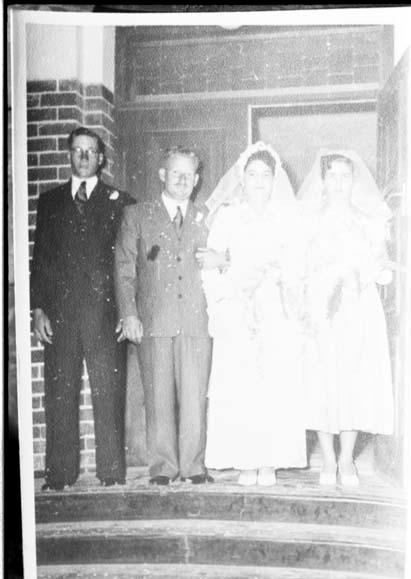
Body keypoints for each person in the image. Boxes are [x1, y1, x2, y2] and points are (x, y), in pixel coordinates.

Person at [31, 126, 135, 490]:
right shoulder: (50, 202)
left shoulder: (120, 201)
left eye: (91, 151)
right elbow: (41, 259)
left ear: (101, 157)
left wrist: (127, 310)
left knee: (108, 393)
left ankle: (111, 473)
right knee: (59, 395)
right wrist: (39, 309)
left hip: (106, 316)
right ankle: (59, 475)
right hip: (60, 317)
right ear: (69, 155)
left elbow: (127, 262)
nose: (84, 157)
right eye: (78, 151)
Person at [200, 141, 308, 487]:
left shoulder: (287, 218)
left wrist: (286, 291)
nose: (259, 180)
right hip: (238, 307)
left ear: (274, 179)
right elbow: (209, 264)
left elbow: (296, 265)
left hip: (275, 307)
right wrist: (222, 301)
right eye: (252, 174)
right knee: (241, 384)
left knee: (273, 383)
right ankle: (246, 460)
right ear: (241, 179)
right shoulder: (229, 216)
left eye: (265, 174)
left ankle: (270, 462)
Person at [114, 146, 214, 486]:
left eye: (189, 175)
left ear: (197, 179)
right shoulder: (137, 214)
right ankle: (162, 467)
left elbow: (223, 263)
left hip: (196, 322)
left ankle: (193, 465)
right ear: (162, 175)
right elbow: (125, 269)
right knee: (158, 397)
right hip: (154, 321)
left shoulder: (207, 216)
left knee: (194, 396)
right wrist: (129, 314)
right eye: (176, 173)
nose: (183, 180)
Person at [297, 150, 394, 487]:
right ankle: (327, 458)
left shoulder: (367, 220)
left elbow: (379, 263)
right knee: (323, 381)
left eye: (345, 176)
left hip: (356, 307)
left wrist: (376, 271)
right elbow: (298, 266)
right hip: (321, 309)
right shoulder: (308, 219)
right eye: (332, 175)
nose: (338, 182)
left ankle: (346, 458)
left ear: (354, 181)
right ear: (322, 180)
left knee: (352, 379)